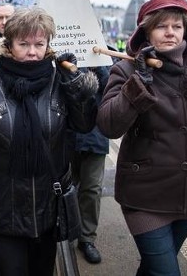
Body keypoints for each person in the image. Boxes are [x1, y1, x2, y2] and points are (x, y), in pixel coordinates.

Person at [0, 7, 99, 275]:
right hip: (2, 207)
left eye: (39, 44)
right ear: (9, 45)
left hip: (47, 208)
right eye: (24, 44)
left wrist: (77, 85)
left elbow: (84, 125)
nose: (32, 52)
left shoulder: (59, 81)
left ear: (48, 45)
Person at [96, 0, 187, 276]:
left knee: (154, 267)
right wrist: (138, 84)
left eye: (177, 25)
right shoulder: (126, 69)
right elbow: (109, 125)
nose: (170, 32)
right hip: (145, 194)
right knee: (165, 271)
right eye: (162, 26)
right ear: (146, 31)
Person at [72, 64, 111, 264]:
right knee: (62, 188)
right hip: (66, 137)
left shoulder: (105, 59)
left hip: (95, 137)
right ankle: (62, 230)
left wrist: (100, 67)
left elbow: (112, 91)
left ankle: (86, 238)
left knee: (92, 189)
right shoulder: (60, 54)